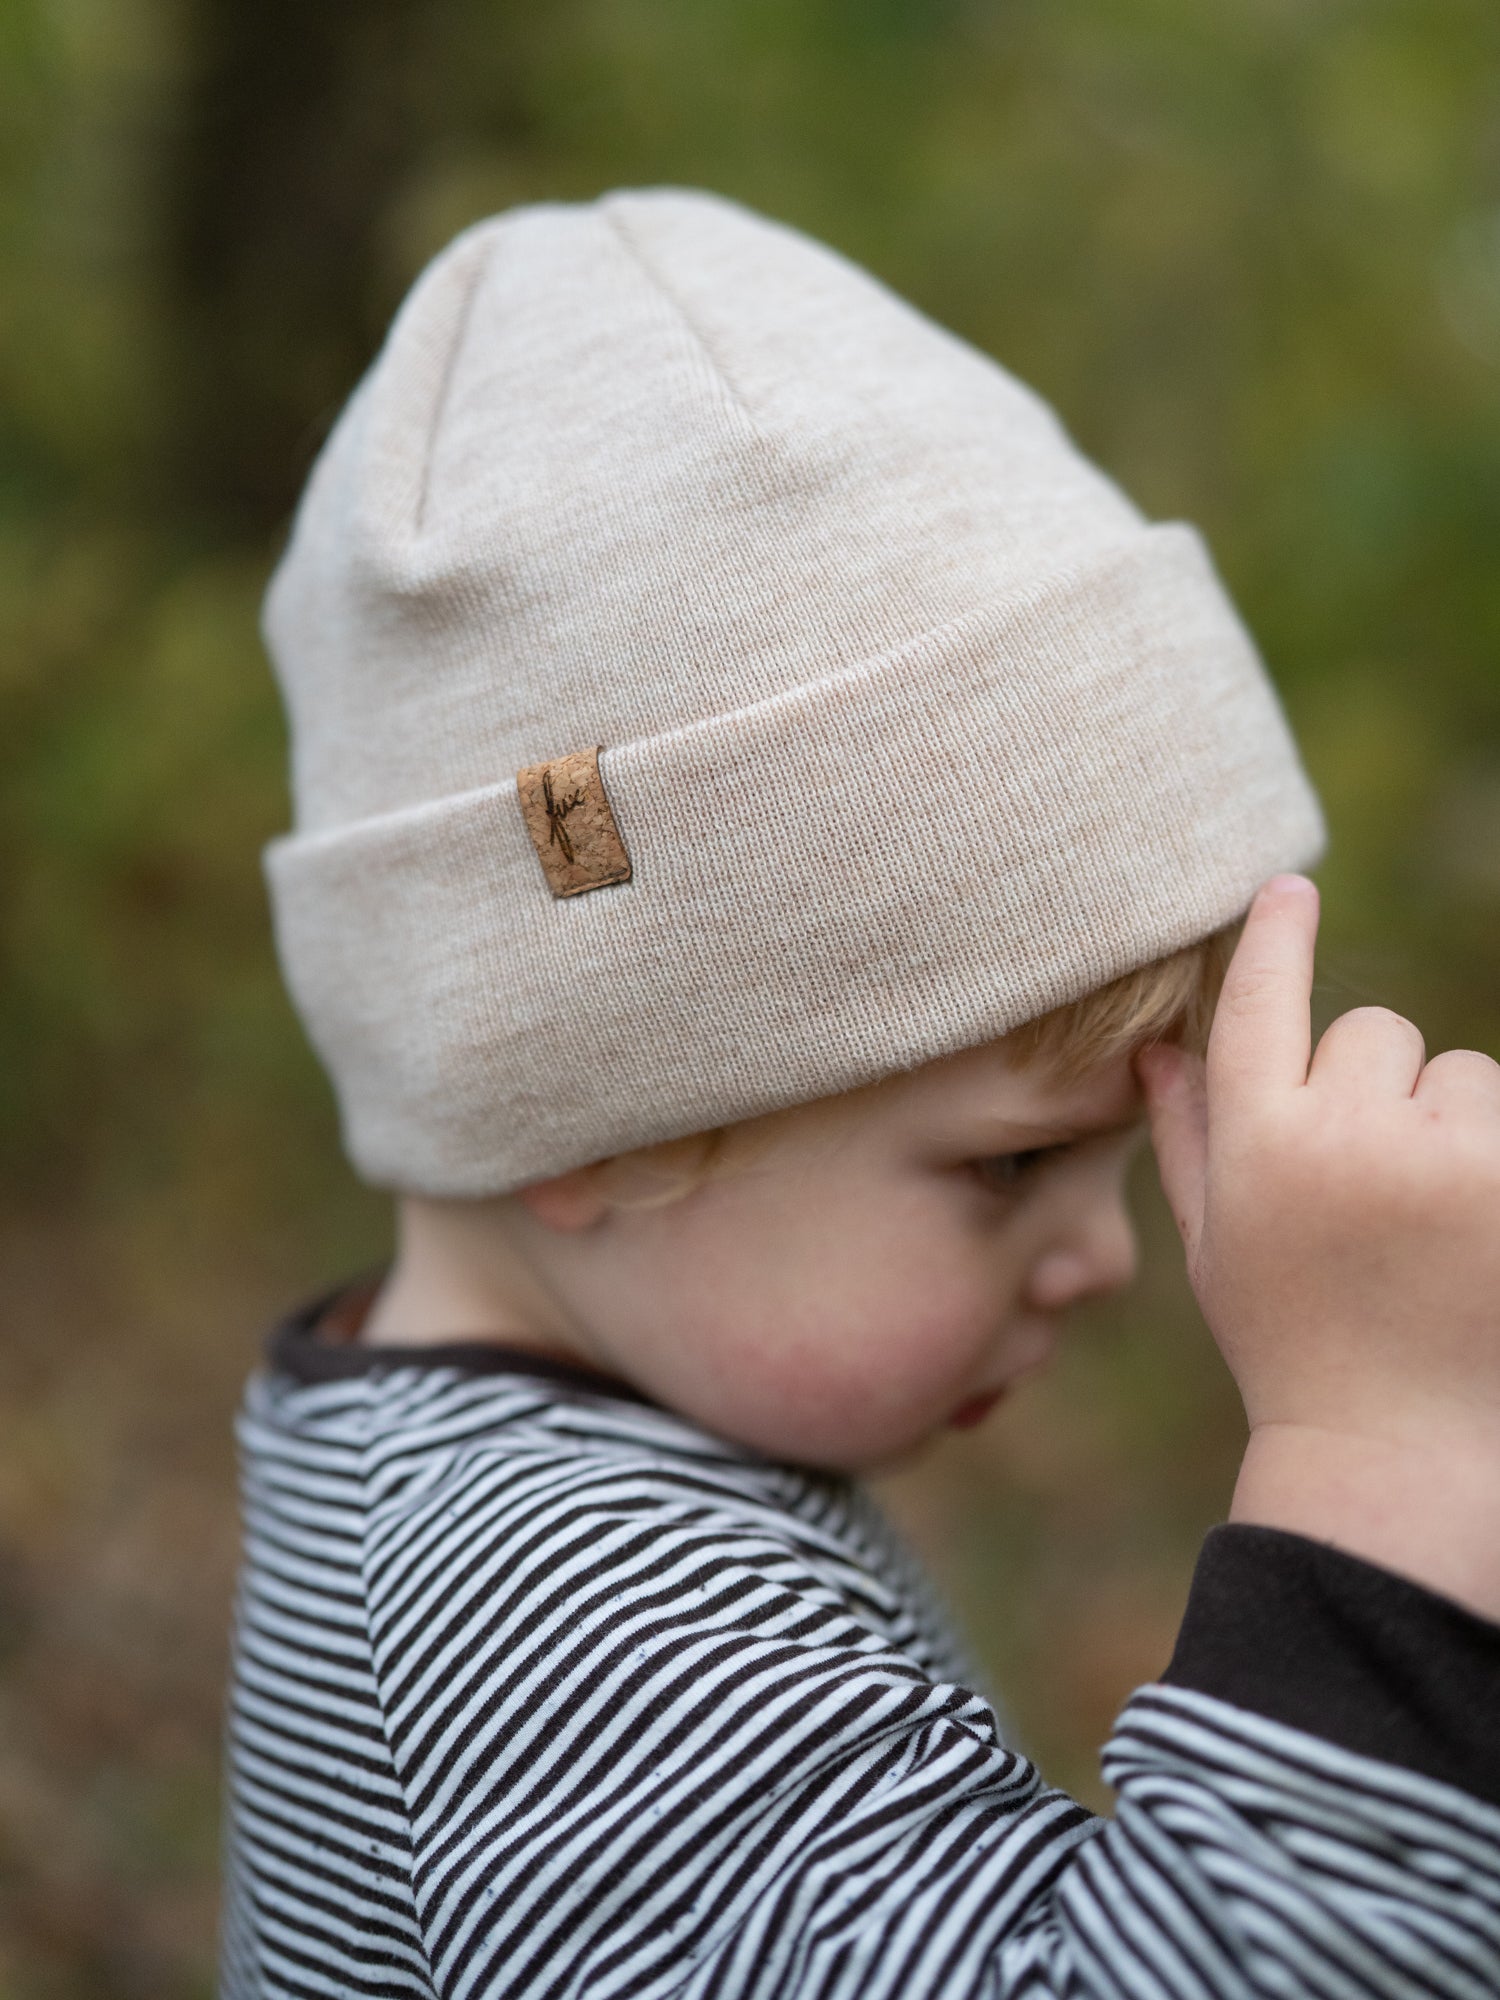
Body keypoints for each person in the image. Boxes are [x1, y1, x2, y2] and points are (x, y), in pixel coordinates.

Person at [222, 189, 1500, 1997]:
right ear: (589, 1119)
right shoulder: (569, 1622)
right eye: (1009, 1171)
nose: (1105, 1265)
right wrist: (1393, 1471)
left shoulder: (512, 1496)